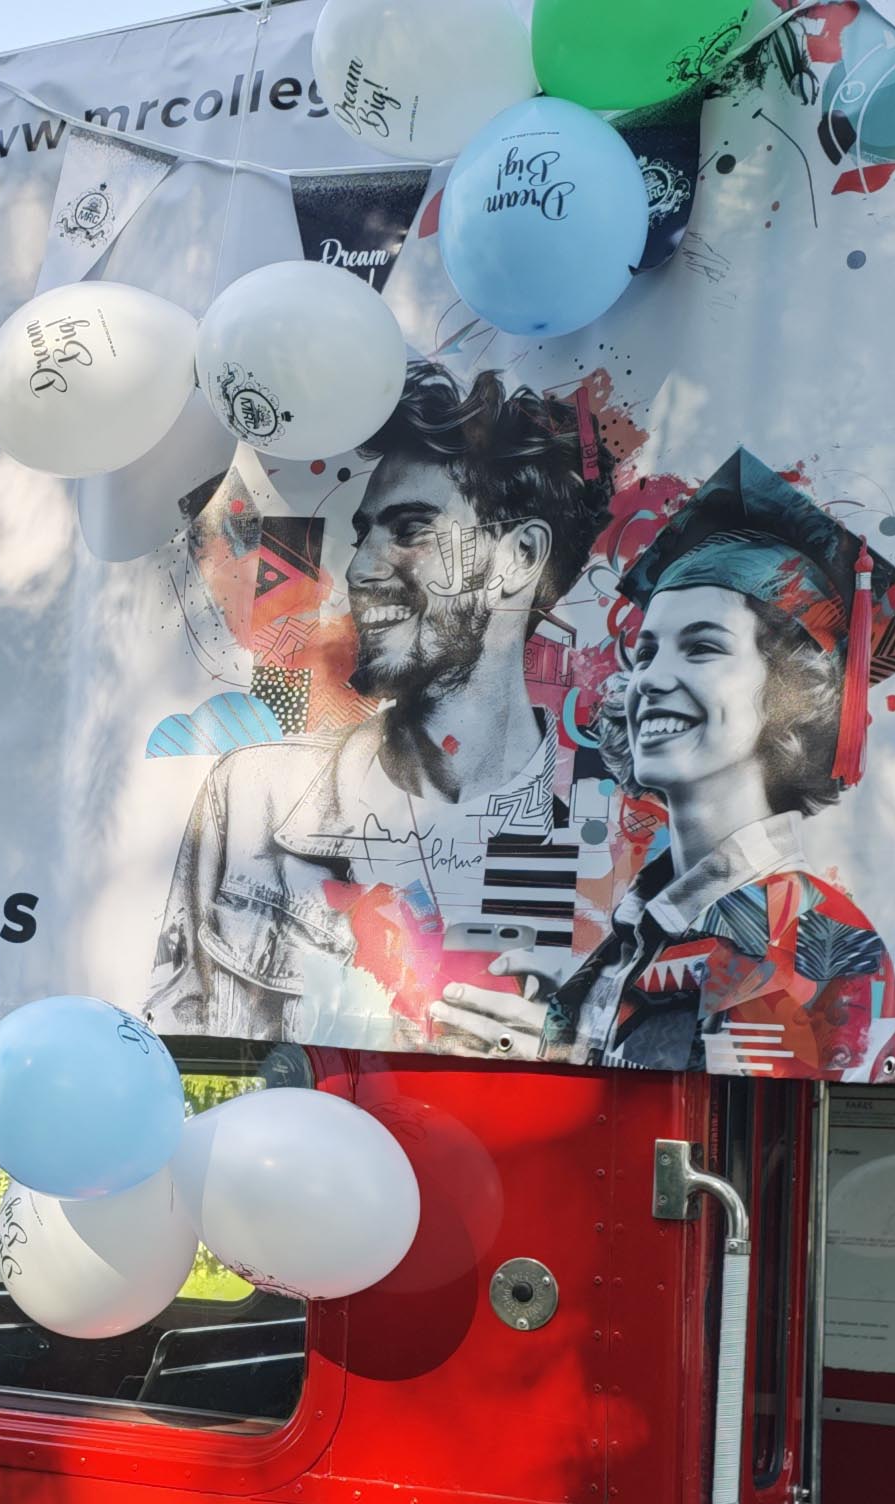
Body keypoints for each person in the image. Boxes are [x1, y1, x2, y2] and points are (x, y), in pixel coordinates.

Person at [148, 363, 607, 1042]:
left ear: (519, 556)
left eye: (411, 530)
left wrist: (569, 1049)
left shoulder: (621, 841)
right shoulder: (254, 798)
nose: (360, 569)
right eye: (365, 532)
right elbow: (178, 1048)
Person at [437, 450, 895, 1076]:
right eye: (644, 654)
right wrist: (564, 1023)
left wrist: (567, 1051)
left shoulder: (813, 940)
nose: (650, 681)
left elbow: (729, 1127)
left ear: (794, 693)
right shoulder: (649, 920)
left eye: (701, 648)